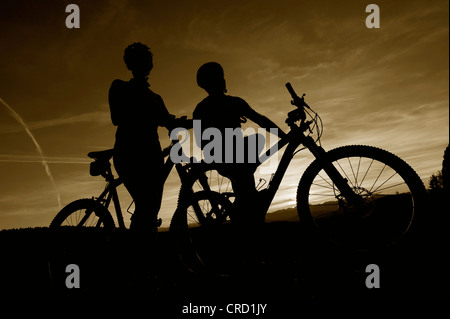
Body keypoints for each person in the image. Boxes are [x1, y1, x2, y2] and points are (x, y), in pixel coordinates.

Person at [193, 62, 286, 225]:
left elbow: (260, 120)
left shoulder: (206, 107)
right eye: (217, 79)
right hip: (228, 157)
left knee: (246, 183)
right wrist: (283, 135)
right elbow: (260, 119)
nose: (221, 82)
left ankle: (247, 211)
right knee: (246, 186)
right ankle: (247, 217)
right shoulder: (227, 104)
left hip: (229, 156)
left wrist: (283, 135)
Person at [108, 42, 176, 239]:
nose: (144, 65)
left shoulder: (156, 97)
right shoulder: (119, 86)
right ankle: (136, 258)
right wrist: (154, 116)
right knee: (147, 206)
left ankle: (142, 259)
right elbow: (117, 118)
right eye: (139, 61)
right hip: (128, 154)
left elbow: (168, 122)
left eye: (147, 61)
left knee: (149, 210)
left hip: (152, 156)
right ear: (130, 65)